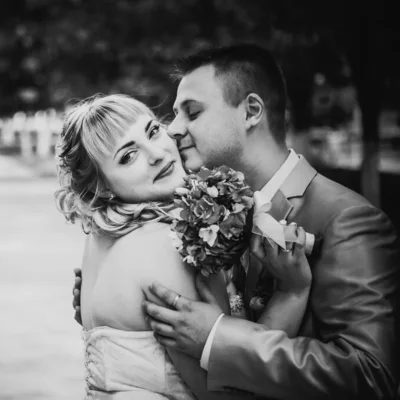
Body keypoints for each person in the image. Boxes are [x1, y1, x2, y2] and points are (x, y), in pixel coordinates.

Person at [136, 44, 399, 399]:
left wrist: (218, 338)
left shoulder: (347, 219)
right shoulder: (208, 210)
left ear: (252, 111)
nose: (173, 129)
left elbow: (372, 376)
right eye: (175, 114)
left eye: (192, 113)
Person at [58, 93, 313, 399]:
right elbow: (235, 394)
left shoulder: (98, 241)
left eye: (152, 131)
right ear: (101, 188)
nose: (156, 153)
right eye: (128, 156)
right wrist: (292, 291)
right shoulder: (160, 248)